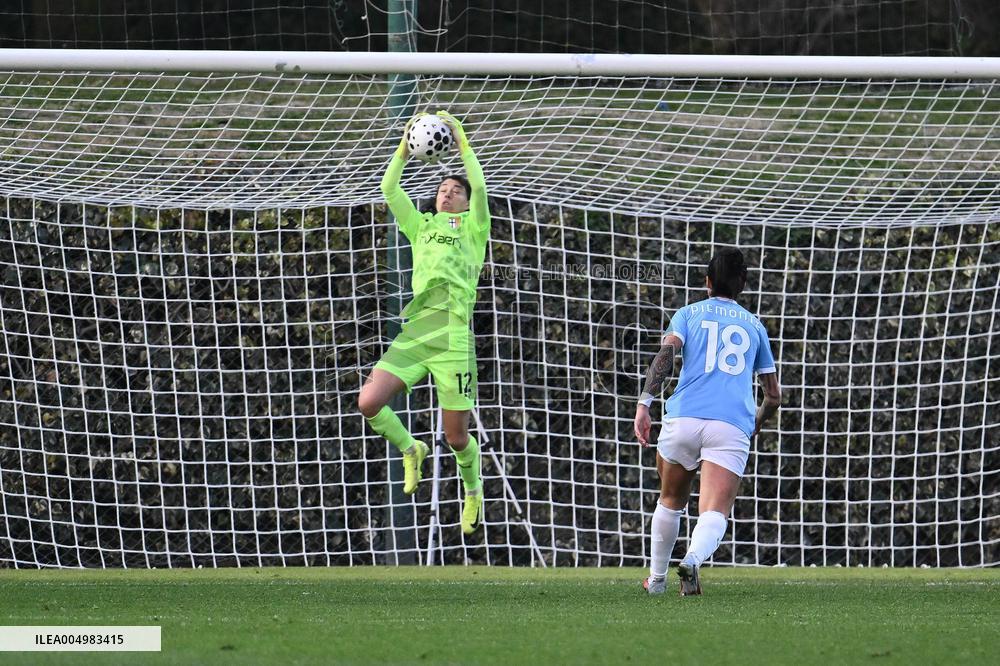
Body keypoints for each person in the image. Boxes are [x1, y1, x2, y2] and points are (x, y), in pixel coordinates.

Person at [357, 111, 490, 535]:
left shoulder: (473, 227)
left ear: (466, 203)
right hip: (417, 330)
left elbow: (481, 186)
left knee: (456, 438)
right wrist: (404, 144)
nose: (448, 194)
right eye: (443, 189)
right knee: (368, 402)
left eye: (455, 191)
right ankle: (409, 446)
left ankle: (473, 490)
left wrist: (463, 141)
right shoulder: (421, 226)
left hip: (452, 336)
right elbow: (388, 188)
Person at [634, 248, 781, 595]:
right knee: (715, 510)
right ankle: (693, 560)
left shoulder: (687, 314)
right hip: (730, 423)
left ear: (707, 281)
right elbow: (773, 394)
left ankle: (656, 581)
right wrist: (756, 422)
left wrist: (645, 403)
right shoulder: (755, 326)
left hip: (683, 416)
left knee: (670, 499)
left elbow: (665, 357)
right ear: (742, 284)